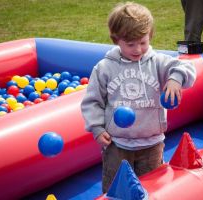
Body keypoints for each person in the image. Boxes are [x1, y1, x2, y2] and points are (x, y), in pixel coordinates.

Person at [81, 2, 196, 193]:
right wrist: (97, 128)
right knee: (116, 190)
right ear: (116, 40)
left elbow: (186, 67)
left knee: (152, 189)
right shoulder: (105, 68)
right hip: (117, 144)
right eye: (130, 44)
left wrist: (176, 79)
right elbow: (92, 101)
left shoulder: (157, 62)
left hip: (152, 143)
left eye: (143, 42)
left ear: (150, 36)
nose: (137, 50)